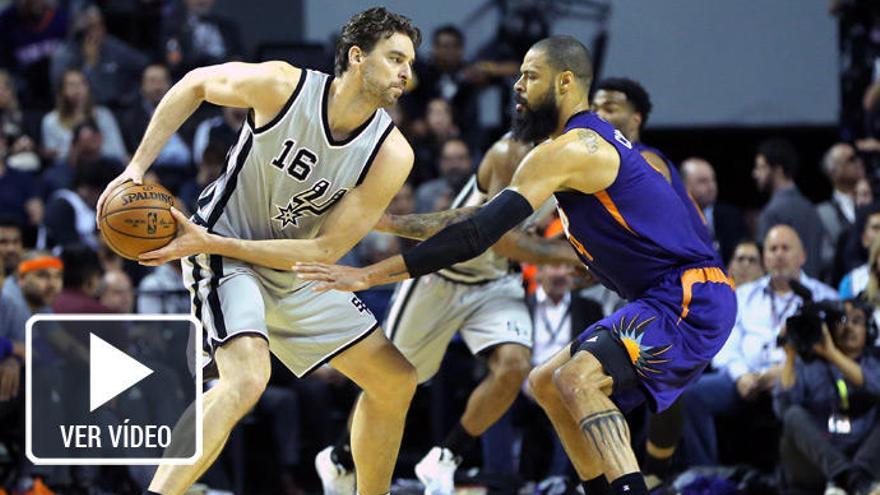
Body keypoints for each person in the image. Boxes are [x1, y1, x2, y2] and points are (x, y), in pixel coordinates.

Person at [295, 36, 737, 495]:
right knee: (546, 383)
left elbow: (476, 238)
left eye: (530, 75)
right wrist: (385, 221)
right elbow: (479, 216)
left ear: (565, 82)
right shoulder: (561, 153)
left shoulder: (575, 149)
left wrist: (368, 275)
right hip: (667, 295)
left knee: (575, 379)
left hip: (688, 296)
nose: (517, 86)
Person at [96, 8, 422, 495]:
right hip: (224, 250)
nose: (406, 73)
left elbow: (326, 247)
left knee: (396, 380)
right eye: (395, 58)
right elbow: (194, 83)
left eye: (410, 64)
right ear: (357, 57)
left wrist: (212, 242)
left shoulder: (392, 152)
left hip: (292, 263)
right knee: (247, 379)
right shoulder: (282, 85)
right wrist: (136, 169)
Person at [317, 131, 579, 494]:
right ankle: (341, 457)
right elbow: (499, 237)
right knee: (391, 382)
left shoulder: (576, 167)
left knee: (515, 365)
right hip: (441, 275)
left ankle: (446, 456)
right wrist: (569, 256)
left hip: (494, 281)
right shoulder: (510, 152)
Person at [680, 225, 838, 467]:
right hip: (747, 379)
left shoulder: (823, 297)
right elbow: (726, 343)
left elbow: (827, 352)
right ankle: (706, 477)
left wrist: (786, 371)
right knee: (691, 394)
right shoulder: (743, 296)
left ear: (802, 256)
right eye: (772, 249)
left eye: (786, 248)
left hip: (795, 380)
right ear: (765, 258)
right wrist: (741, 375)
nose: (778, 254)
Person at [775, 299, 880, 495]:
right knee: (793, 415)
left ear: (870, 330)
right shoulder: (809, 364)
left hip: (865, 458)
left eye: (856, 321)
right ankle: (849, 479)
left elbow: (876, 386)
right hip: (817, 463)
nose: (848, 326)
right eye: (841, 321)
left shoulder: (875, 361)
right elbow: (783, 409)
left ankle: (852, 477)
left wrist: (832, 354)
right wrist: (789, 355)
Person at [49, 4, 148, 108]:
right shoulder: (64, 56)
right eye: (92, 28)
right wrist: (90, 65)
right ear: (79, 32)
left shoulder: (112, 45)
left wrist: (130, 94)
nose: (99, 31)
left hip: (118, 108)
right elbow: (61, 94)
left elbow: (144, 64)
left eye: (100, 25)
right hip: (77, 110)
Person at [753, 138, 825, 278]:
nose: (755, 173)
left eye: (761, 167)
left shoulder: (771, 213)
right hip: (812, 290)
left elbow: (764, 266)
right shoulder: (811, 209)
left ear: (778, 170)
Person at [41, 68, 128, 164]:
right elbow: (53, 156)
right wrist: (77, 149)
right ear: (62, 91)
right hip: (69, 166)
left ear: (88, 88)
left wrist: (94, 148)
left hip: (103, 165)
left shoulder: (103, 115)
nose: (77, 88)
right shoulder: (50, 120)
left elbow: (118, 152)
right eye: (71, 85)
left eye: (82, 83)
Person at [681, 157, 748, 263]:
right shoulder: (677, 220)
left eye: (712, 180)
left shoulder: (732, 217)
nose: (711, 186)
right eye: (703, 181)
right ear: (684, 186)